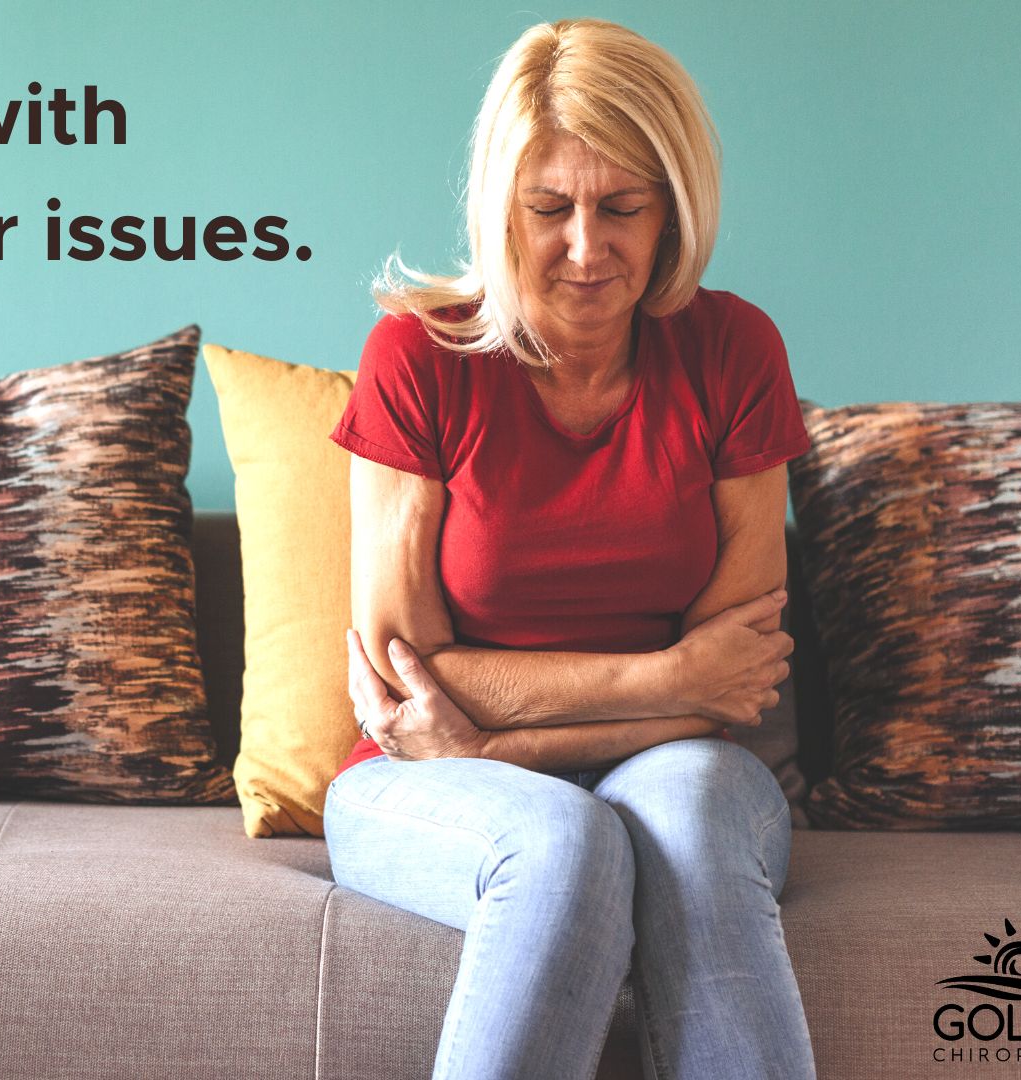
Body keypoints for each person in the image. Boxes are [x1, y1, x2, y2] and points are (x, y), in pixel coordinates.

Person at [322, 17, 818, 1080]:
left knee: (679, 819)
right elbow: (411, 682)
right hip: (414, 780)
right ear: (502, 206)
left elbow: (734, 687)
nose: (587, 248)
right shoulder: (418, 357)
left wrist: (497, 744)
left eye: (623, 207)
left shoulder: (734, 352)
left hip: (658, 765)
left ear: (675, 206)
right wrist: (663, 675)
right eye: (550, 209)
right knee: (561, 840)